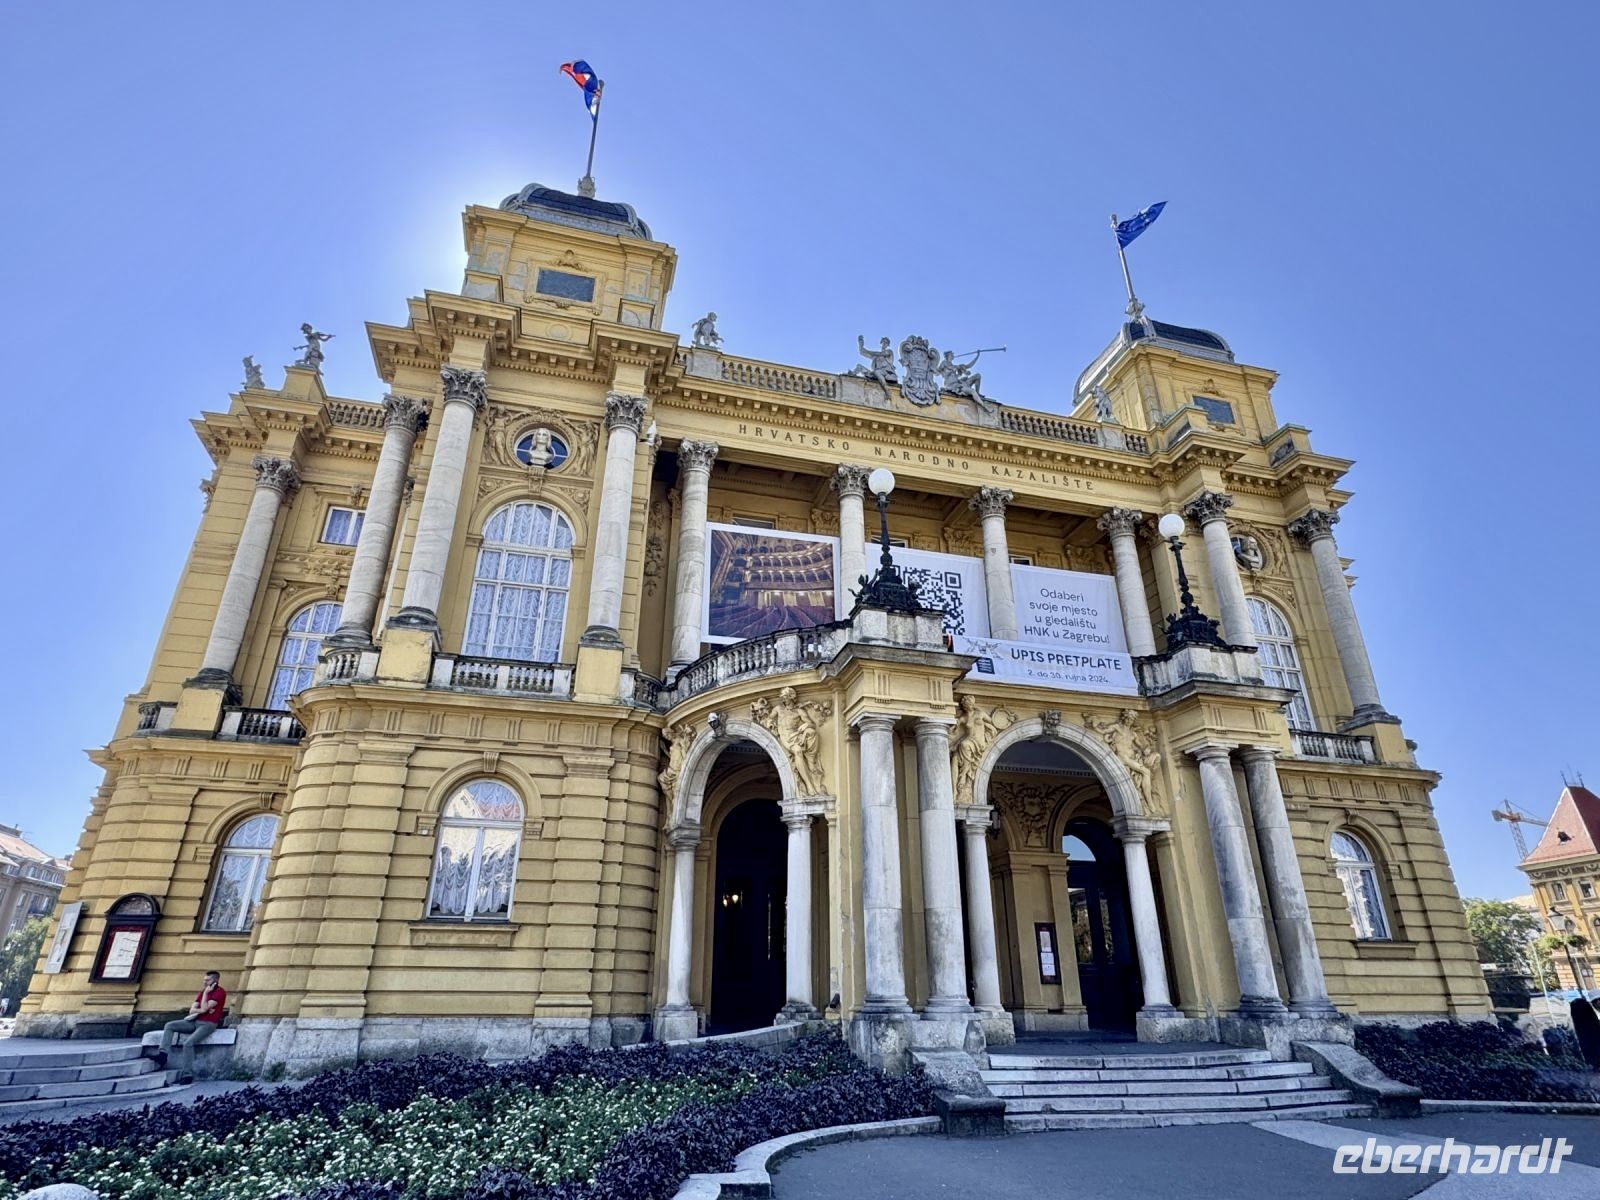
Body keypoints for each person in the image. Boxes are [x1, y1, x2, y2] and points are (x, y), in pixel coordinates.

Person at [154, 970, 226, 1083]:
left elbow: (205, 1008)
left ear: (215, 981)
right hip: (195, 1021)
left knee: (188, 1043)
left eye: (207, 980)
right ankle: (163, 1054)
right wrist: (202, 1009)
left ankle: (187, 1075)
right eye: (204, 980)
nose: (205, 982)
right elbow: (193, 1010)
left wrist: (206, 997)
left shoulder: (220, 992)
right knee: (170, 1025)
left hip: (208, 1024)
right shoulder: (203, 992)